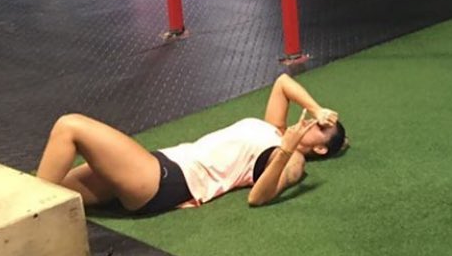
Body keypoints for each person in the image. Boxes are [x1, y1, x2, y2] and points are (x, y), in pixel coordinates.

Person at [36, 74, 347, 214]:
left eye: (319, 127)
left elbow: (258, 197)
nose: (311, 121)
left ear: (320, 149)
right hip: (160, 163)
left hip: (166, 180)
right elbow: (282, 83)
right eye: (315, 118)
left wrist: (288, 148)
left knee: (70, 126)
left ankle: (28, 223)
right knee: (53, 190)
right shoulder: (274, 128)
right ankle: (26, 222)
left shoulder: (295, 161)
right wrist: (318, 108)